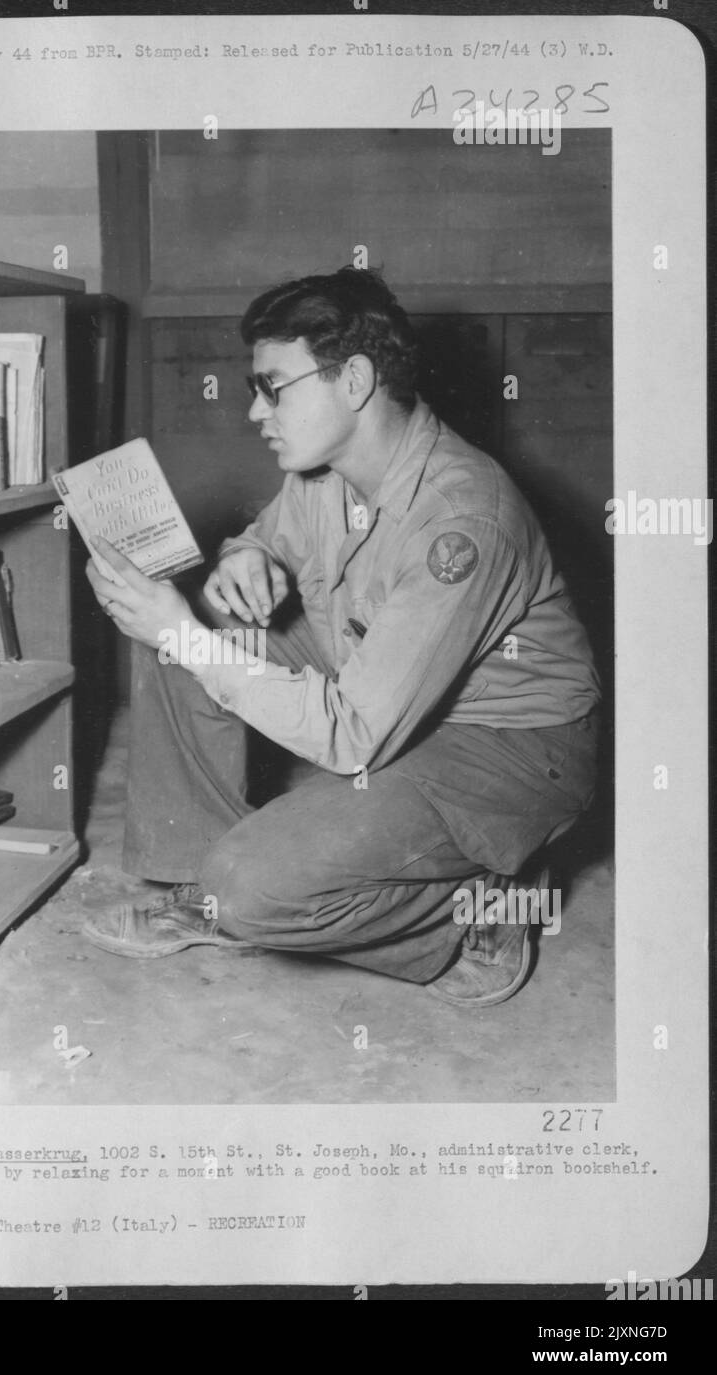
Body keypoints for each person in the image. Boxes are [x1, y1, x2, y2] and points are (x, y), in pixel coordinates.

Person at [82, 267, 600, 1006]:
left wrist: (183, 632)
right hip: (388, 687)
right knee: (188, 632)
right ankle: (202, 884)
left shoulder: (462, 521)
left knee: (252, 884)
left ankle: (486, 896)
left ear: (353, 380)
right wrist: (246, 558)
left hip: (510, 746)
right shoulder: (328, 469)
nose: (256, 411)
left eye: (273, 386)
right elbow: (270, 535)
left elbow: (353, 734)